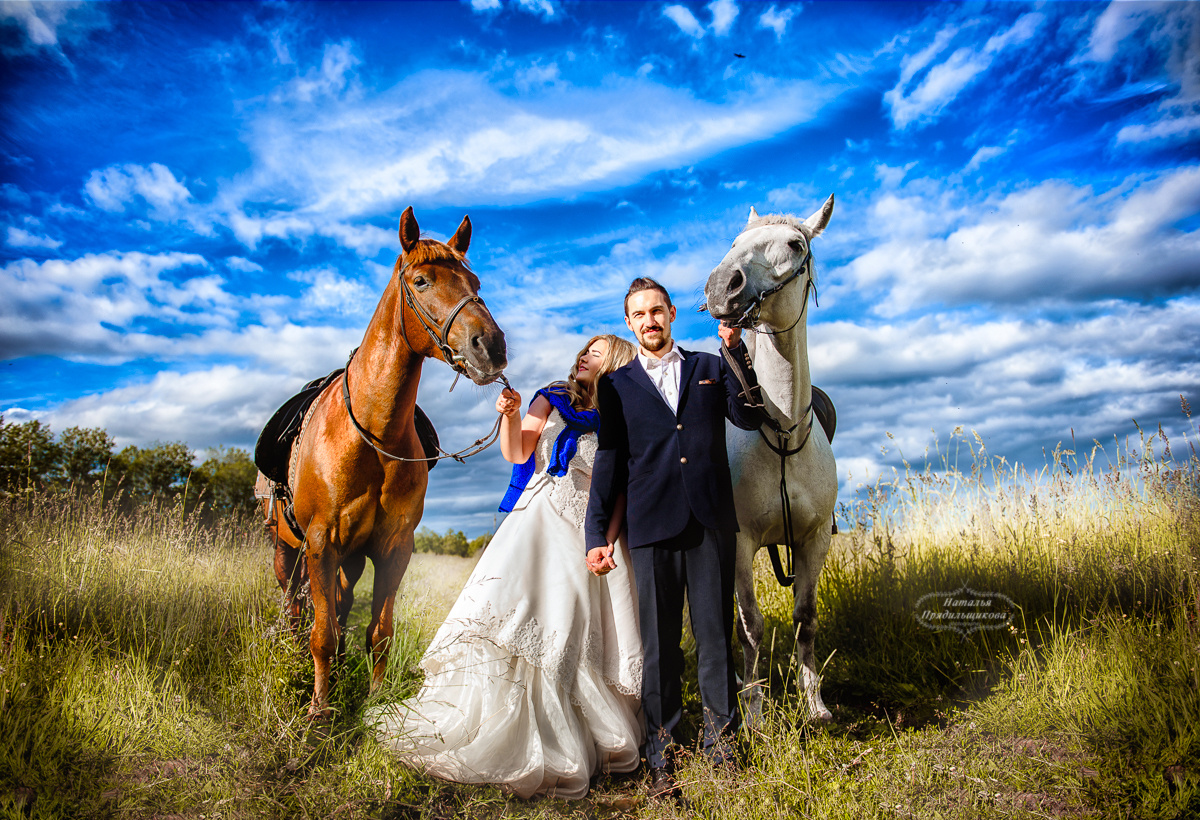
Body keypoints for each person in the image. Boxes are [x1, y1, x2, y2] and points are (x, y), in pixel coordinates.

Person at [368, 334, 642, 800]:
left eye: (595, 353)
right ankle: (493, 726)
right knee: (514, 619)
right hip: (536, 522)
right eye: (583, 349)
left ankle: (567, 735)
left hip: (587, 536)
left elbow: (619, 491)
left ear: (615, 363)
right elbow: (518, 454)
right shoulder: (551, 397)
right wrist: (510, 415)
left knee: (570, 630)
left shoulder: (621, 417)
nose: (583, 356)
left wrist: (609, 541)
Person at [584, 277, 764, 800]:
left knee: (715, 640)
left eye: (657, 311)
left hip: (710, 523)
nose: (650, 321)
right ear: (629, 323)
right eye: (639, 315)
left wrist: (736, 352)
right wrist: (599, 533)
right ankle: (664, 753)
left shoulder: (710, 367)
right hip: (650, 527)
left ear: (672, 313)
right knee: (660, 649)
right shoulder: (616, 387)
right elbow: (611, 461)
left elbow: (748, 416)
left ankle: (722, 747)